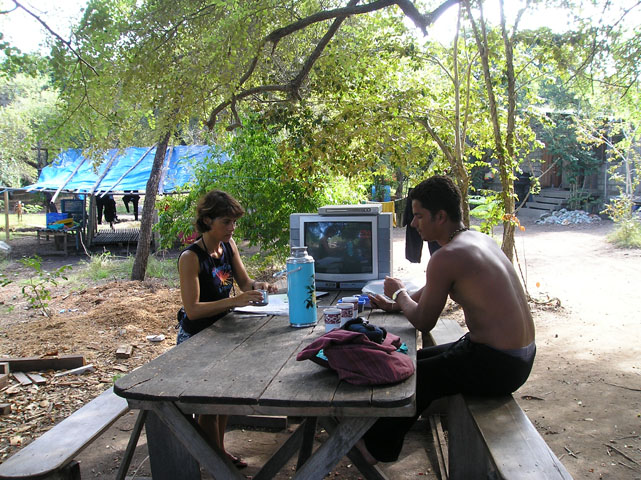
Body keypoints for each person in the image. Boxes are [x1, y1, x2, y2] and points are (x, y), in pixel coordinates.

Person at [361, 175, 536, 463]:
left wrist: (400, 294)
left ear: (440, 216)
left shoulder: (446, 257)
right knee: (415, 359)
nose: (414, 224)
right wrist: (397, 306)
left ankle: (377, 448)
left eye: (418, 216)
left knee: (414, 378)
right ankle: (376, 433)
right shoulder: (476, 239)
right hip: (513, 355)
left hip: (501, 365)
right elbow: (431, 291)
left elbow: (424, 322)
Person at [176, 189, 277, 469]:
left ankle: (217, 452)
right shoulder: (191, 257)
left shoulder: (228, 247)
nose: (232, 228)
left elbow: (245, 284)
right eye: (226, 222)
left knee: (222, 399)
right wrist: (235, 301)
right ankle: (214, 460)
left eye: (234, 222)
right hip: (195, 337)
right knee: (209, 404)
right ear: (207, 221)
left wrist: (260, 287)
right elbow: (193, 309)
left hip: (222, 331)